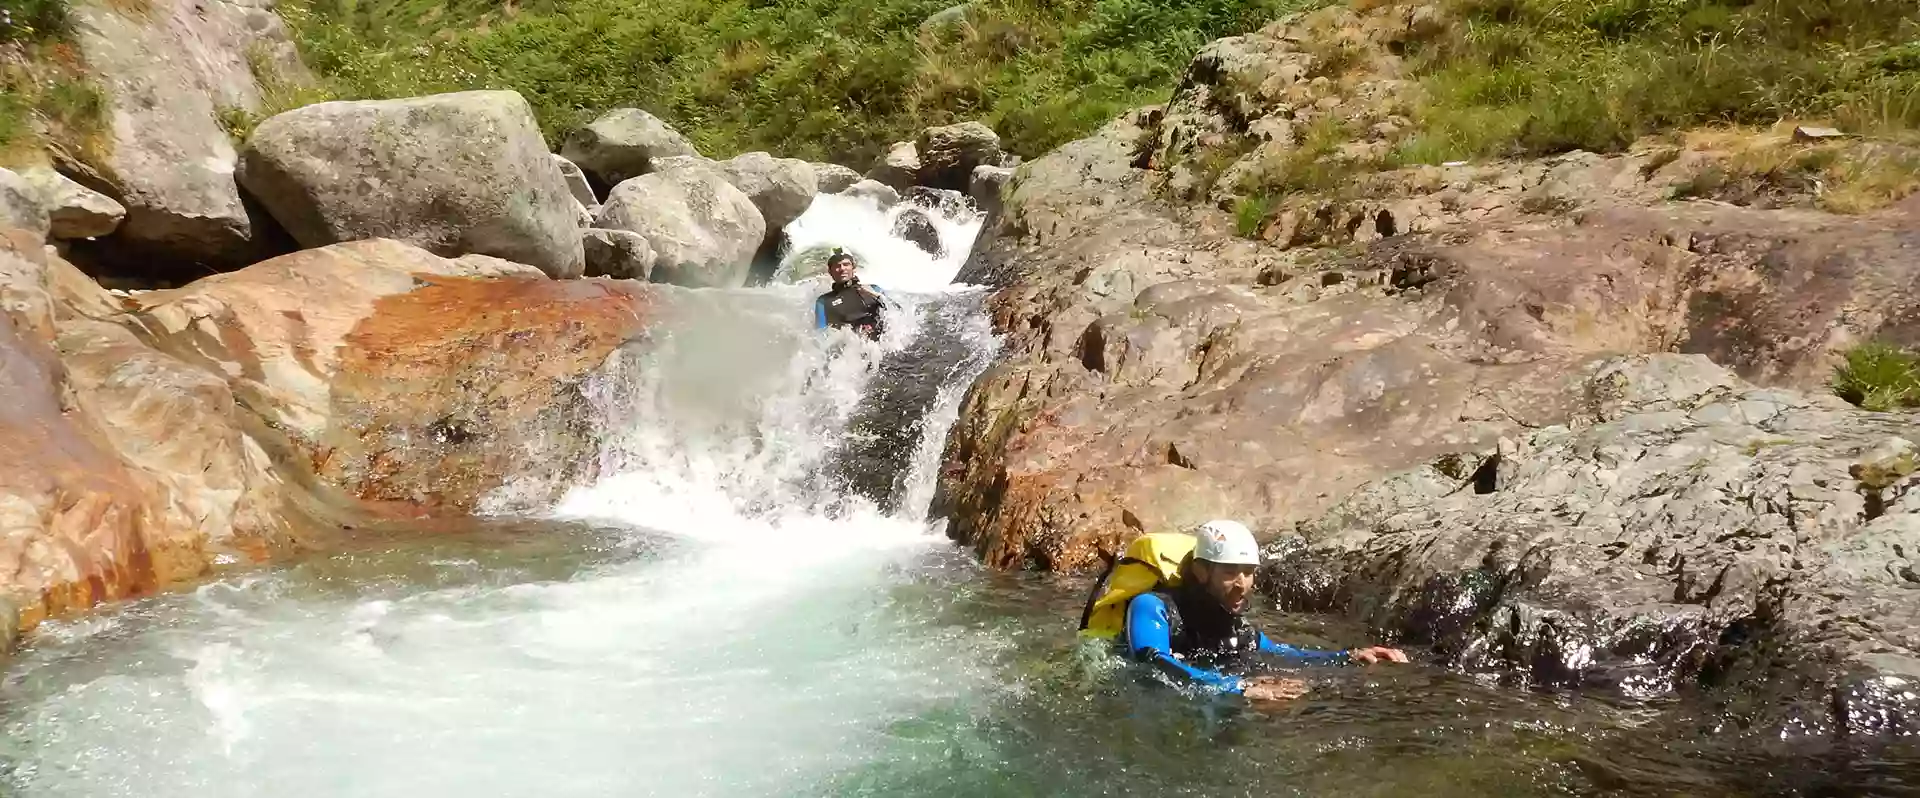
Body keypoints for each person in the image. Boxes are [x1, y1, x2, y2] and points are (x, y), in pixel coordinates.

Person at [1092, 520, 1410, 702]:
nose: (1242, 584)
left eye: (1249, 571)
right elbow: (1152, 663)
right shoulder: (1152, 607)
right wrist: (1240, 688)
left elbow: (1283, 653)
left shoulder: (1234, 627)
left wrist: (1348, 657)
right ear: (1202, 572)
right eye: (1231, 571)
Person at [813, 249, 891, 340]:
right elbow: (821, 336)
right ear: (830, 271)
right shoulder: (823, 302)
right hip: (849, 348)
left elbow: (894, 314)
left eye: (846, 264)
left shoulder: (873, 289)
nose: (842, 269)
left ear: (853, 268)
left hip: (883, 344)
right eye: (837, 266)